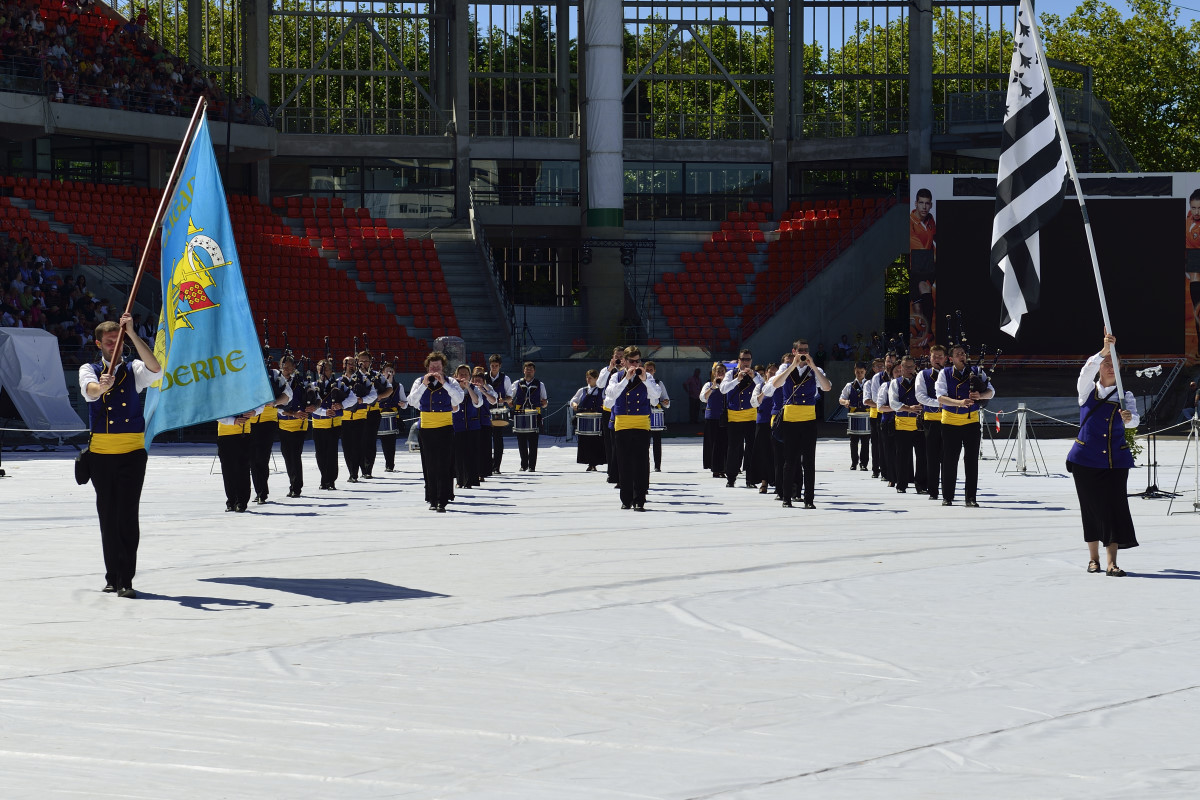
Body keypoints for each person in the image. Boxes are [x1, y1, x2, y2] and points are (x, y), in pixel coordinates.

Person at [78, 312, 162, 598]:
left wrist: (134, 334)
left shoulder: (134, 368)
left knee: (127, 514)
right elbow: (89, 391)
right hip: (101, 454)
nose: (115, 345)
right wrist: (102, 386)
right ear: (98, 343)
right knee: (107, 514)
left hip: (132, 453)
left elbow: (156, 370)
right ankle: (112, 575)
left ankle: (126, 578)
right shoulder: (89, 369)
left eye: (119, 340)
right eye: (110, 341)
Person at [1067, 331, 1139, 576]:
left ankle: (1111, 562)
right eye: (1106, 363)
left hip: (1115, 461)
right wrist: (1103, 351)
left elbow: (1133, 421)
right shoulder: (1087, 391)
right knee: (1090, 507)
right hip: (1085, 460)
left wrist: (1129, 418)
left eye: (1114, 363)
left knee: (1114, 507)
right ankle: (1093, 559)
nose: (1109, 367)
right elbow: (1086, 371)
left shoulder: (1125, 396)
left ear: (1120, 368)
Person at [763, 339, 831, 508]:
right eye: (800, 350)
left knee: (809, 461)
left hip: (808, 418)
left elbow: (827, 387)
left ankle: (809, 499)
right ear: (794, 352)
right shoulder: (785, 368)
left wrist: (813, 366)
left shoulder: (815, 370)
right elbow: (776, 384)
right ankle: (786, 497)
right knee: (790, 461)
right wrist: (793, 366)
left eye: (806, 350)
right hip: (790, 419)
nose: (803, 353)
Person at [935, 344, 995, 507]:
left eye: (963, 353)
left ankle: (971, 498)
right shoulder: (945, 373)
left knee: (971, 460)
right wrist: (959, 403)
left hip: (971, 422)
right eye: (958, 354)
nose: (962, 356)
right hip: (950, 422)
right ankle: (947, 496)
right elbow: (940, 397)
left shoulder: (976, 371)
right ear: (951, 358)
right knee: (949, 460)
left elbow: (991, 391)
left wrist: (980, 395)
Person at [604, 345, 662, 511]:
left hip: (642, 423)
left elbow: (655, 396)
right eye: (632, 361)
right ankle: (626, 498)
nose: (635, 365)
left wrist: (644, 379)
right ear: (624, 361)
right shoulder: (616, 377)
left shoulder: (647, 376)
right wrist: (625, 379)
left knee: (641, 463)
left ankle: (639, 498)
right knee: (624, 463)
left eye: (638, 361)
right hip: (622, 424)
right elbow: (611, 394)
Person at [408, 351, 464, 512]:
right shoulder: (419, 381)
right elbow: (412, 401)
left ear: (443, 367)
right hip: (426, 427)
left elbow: (458, 399)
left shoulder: (451, 381)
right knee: (430, 464)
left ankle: (443, 499)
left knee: (444, 464)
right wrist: (424, 385)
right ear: (427, 368)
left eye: (438, 367)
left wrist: (444, 383)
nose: (435, 369)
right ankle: (432, 498)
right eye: (432, 367)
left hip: (445, 426)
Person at [249, 355, 291, 504]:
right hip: (248, 421)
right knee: (252, 458)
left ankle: (262, 491)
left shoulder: (274, 374)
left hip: (267, 421)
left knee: (262, 457)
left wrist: (275, 403)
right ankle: (259, 490)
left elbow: (288, 395)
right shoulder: (246, 372)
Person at [310, 358, 357, 491]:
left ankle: (330, 480)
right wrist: (324, 412)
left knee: (331, 453)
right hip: (318, 424)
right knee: (320, 454)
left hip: (333, 424)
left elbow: (352, 398)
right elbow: (310, 404)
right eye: (320, 368)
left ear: (331, 371)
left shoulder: (338, 384)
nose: (322, 371)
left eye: (325, 369)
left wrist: (342, 405)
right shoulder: (313, 385)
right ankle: (324, 478)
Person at [721, 349, 762, 488]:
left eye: (748, 359)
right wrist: (736, 380)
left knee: (751, 449)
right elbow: (723, 389)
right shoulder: (730, 374)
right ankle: (731, 478)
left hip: (751, 416)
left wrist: (754, 376)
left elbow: (765, 388)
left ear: (751, 361)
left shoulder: (755, 374)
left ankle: (750, 479)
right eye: (743, 359)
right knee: (733, 448)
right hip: (734, 417)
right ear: (738, 360)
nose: (745, 362)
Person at [276, 355, 316, 498]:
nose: (286, 370)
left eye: (288, 367)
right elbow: (276, 406)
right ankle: (293, 483)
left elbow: (316, 399)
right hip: (283, 424)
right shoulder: (277, 382)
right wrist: (292, 413)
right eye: (283, 367)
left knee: (295, 454)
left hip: (299, 424)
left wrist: (312, 407)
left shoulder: (302, 383)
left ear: (294, 368)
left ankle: (296, 486)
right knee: (287, 455)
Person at [888, 356, 926, 494]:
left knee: (922, 455)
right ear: (900, 368)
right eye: (906, 366)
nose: (909, 369)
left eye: (911, 366)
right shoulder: (895, 383)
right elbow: (893, 403)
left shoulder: (920, 382)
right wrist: (909, 408)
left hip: (920, 423)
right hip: (902, 423)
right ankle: (901, 484)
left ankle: (921, 484)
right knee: (902, 456)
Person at [914, 345, 947, 501]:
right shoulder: (923, 374)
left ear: (946, 358)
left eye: (940, 356)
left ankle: (947, 489)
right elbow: (920, 396)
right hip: (932, 421)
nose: (937, 359)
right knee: (932, 457)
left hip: (951, 420)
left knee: (947, 457)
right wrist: (939, 403)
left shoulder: (950, 374)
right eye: (934, 357)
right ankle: (933, 490)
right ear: (930, 358)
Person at [217, 406, 260, 513]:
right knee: (227, 470)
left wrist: (255, 412)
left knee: (242, 468)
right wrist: (233, 421)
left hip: (243, 433)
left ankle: (241, 501)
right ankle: (231, 501)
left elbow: (261, 403)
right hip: (224, 433)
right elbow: (215, 411)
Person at [340, 355, 376, 483]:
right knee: (347, 447)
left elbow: (373, 396)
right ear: (343, 365)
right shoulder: (339, 381)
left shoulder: (363, 379)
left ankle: (355, 473)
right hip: (344, 419)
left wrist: (362, 400)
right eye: (347, 363)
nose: (350, 365)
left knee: (358, 446)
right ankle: (352, 471)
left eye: (352, 363)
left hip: (360, 417)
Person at [357, 350, 393, 479]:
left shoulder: (376, 375)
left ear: (371, 362)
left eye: (366, 360)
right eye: (361, 360)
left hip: (373, 412)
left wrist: (378, 397)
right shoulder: (354, 376)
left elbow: (389, 389)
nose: (363, 363)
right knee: (359, 441)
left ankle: (368, 469)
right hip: (357, 413)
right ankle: (360, 467)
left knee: (370, 441)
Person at [508, 361, 548, 472]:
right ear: (523, 370)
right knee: (521, 441)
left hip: (535, 414)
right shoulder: (517, 383)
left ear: (534, 371)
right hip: (520, 414)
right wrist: (510, 402)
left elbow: (545, 401)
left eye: (531, 369)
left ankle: (532, 466)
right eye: (527, 369)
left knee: (533, 441)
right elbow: (510, 396)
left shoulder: (540, 384)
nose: (528, 371)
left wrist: (544, 403)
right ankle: (524, 464)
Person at [451, 364, 484, 489]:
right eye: (461, 374)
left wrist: (468, 388)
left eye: (466, 374)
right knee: (459, 455)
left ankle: (471, 480)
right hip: (458, 426)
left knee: (472, 453)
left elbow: (477, 403)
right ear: (456, 376)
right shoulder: (453, 389)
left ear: (469, 376)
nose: (463, 376)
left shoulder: (474, 388)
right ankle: (460, 479)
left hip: (473, 425)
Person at [570, 369, 606, 471]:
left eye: (590, 378)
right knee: (586, 442)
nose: (588, 379)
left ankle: (594, 463)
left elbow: (606, 401)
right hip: (585, 420)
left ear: (596, 379)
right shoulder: (582, 390)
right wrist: (574, 404)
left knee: (596, 442)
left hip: (597, 420)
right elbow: (573, 400)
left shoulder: (602, 390)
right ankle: (590, 463)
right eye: (587, 377)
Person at [749, 363, 777, 493]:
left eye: (775, 373)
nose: (772, 375)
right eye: (770, 373)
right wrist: (764, 392)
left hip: (778, 422)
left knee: (777, 452)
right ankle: (764, 481)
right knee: (763, 453)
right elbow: (754, 402)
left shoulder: (781, 386)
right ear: (766, 373)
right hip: (763, 422)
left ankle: (778, 480)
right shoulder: (760, 386)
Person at [377, 361, 408, 473]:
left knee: (390, 442)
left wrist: (403, 404)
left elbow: (405, 402)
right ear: (382, 373)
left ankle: (390, 464)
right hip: (379, 415)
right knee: (381, 441)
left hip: (393, 415)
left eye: (391, 371)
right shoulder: (378, 385)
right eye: (387, 371)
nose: (389, 373)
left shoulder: (399, 386)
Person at [838, 362, 870, 471]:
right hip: (854, 415)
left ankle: (864, 463)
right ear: (854, 371)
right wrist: (845, 401)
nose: (859, 374)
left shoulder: (869, 384)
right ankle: (854, 462)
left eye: (861, 372)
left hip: (866, 415)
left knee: (865, 441)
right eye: (857, 372)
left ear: (865, 371)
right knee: (853, 441)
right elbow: (841, 399)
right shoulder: (849, 385)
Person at [485, 355, 512, 473]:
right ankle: (487, 464)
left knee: (497, 439)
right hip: (485, 410)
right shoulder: (484, 377)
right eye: (492, 366)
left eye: (496, 366)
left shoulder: (505, 378)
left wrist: (504, 400)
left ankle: (496, 466)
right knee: (485, 439)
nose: (494, 368)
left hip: (498, 411)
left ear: (500, 366)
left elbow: (510, 397)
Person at [700, 362, 727, 478]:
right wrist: (713, 387)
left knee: (724, 443)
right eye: (718, 371)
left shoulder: (728, 385)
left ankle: (723, 467)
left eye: (722, 371)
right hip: (712, 417)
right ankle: (715, 467)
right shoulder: (708, 384)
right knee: (713, 443)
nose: (720, 373)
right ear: (714, 373)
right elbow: (703, 398)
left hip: (725, 417)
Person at [645, 360, 670, 471]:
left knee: (657, 441)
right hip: (643, 414)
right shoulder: (640, 382)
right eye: (647, 369)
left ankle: (657, 465)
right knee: (644, 441)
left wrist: (665, 402)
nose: (649, 371)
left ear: (654, 371)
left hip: (655, 413)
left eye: (651, 369)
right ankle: (644, 463)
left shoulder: (659, 383)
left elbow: (667, 400)